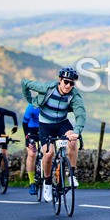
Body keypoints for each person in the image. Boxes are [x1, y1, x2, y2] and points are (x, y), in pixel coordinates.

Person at [22, 67, 87, 203]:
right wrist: (31, 101)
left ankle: (72, 175)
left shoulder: (74, 95)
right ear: (60, 80)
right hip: (45, 125)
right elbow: (25, 83)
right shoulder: (47, 89)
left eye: (71, 83)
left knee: (73, 140)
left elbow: (80, 113)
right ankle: (47, 183)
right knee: (49, 153)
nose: (68, 85)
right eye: (66, 82)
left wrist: (77, 131)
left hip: (62, 124)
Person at [22, 103, 41, 195]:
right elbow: (24, 123)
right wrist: (27, 139)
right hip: (31, 129)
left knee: (48, 151)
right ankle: (32, 182)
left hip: (44, 127)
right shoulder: (32, 106)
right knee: (32, 154)